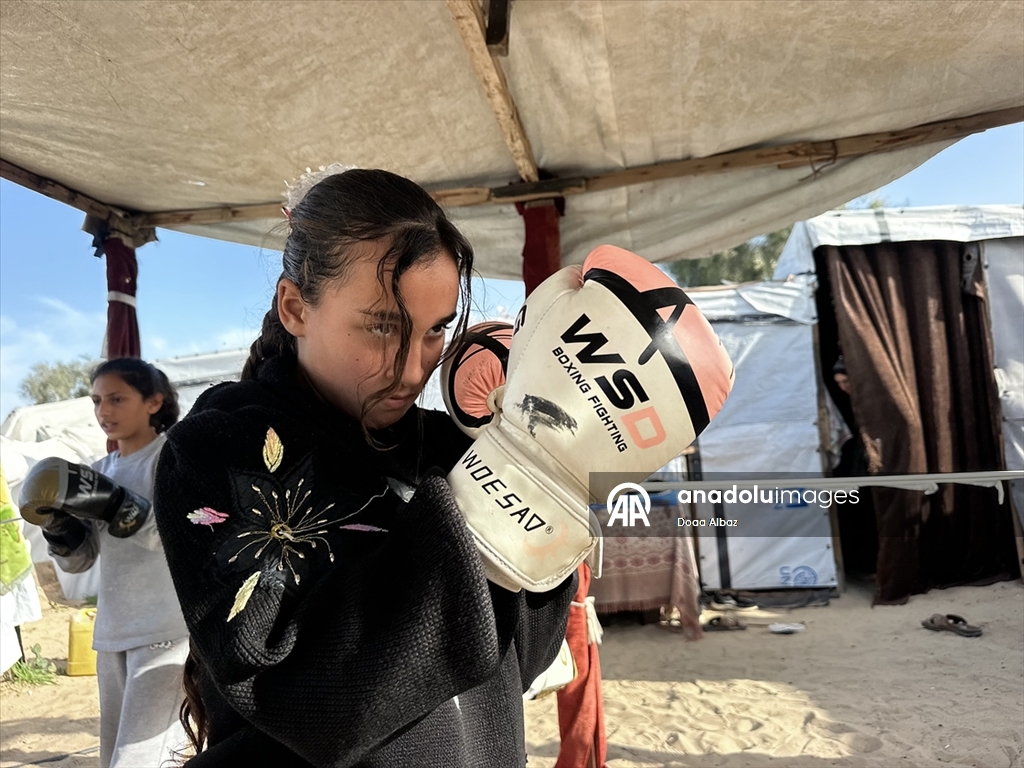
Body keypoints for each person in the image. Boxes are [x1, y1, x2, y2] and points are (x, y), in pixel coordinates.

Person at [152, 167, 577, 766]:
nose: (411, 370)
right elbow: (306, 699)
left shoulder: (449, 447)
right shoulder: (218, 450)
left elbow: (518, 658)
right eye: (382, 325)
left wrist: (554, 471)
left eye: (435, 332)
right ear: (296, 307)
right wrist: (478, 512)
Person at [31, 358, 189, 767]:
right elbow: (80, 564)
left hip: (166, 633)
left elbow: (183, 541)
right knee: (113, 757)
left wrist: (119, 505)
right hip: (113, 632)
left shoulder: (172, 458)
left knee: (137, 760)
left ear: (154, 401)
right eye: (97, 400)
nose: (104, 411)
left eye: (117, 399)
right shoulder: (97, 472)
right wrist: (58, 527)